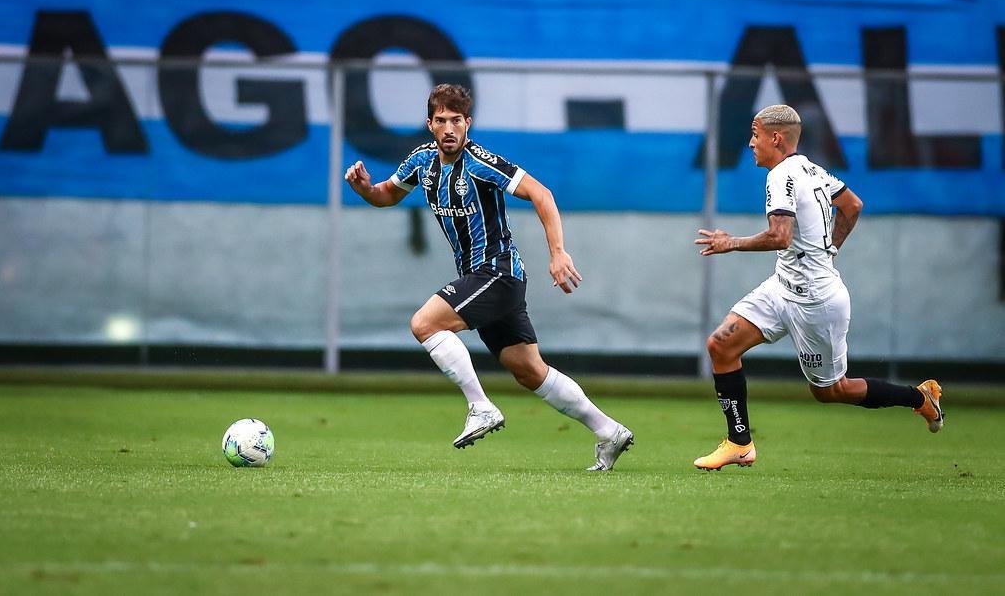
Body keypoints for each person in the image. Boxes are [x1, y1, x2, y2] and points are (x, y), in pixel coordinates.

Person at [344, 83, 633, 471]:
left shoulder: (480, 162)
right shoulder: (421, 162)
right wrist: (365, 189)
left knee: (424, 324)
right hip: (484, 278)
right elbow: (387, 194)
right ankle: (609, 431)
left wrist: (558, 252)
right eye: (442, 120)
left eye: (457, 121)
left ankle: (480, 407)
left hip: (497, 273)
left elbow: (541, 194)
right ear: (430, 124)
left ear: (468, 124)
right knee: (530, 371)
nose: (449, 128)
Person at [692, 104, 943, 470]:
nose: (750, 143)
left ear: (776, 138)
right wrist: (831, 250)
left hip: (816, 300)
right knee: (721, 345)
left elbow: (780, 236)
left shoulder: (781, 176)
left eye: (755, 134)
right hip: (783, 285)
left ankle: (918, 398)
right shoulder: (811, 168)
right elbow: (852, 206)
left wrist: (731, 243)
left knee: (830, 391)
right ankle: (739, 443)